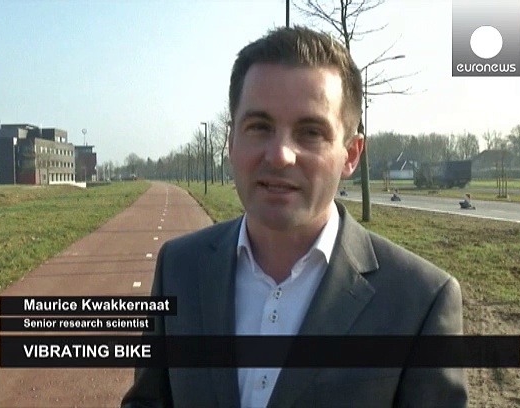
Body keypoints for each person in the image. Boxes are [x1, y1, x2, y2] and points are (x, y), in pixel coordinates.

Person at [122, 26, 467, 407]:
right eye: (259, 127)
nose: (280, 155)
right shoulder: (179, 267)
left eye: (310, 132)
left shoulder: (420, 300)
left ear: (351, 154)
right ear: (231, 142)